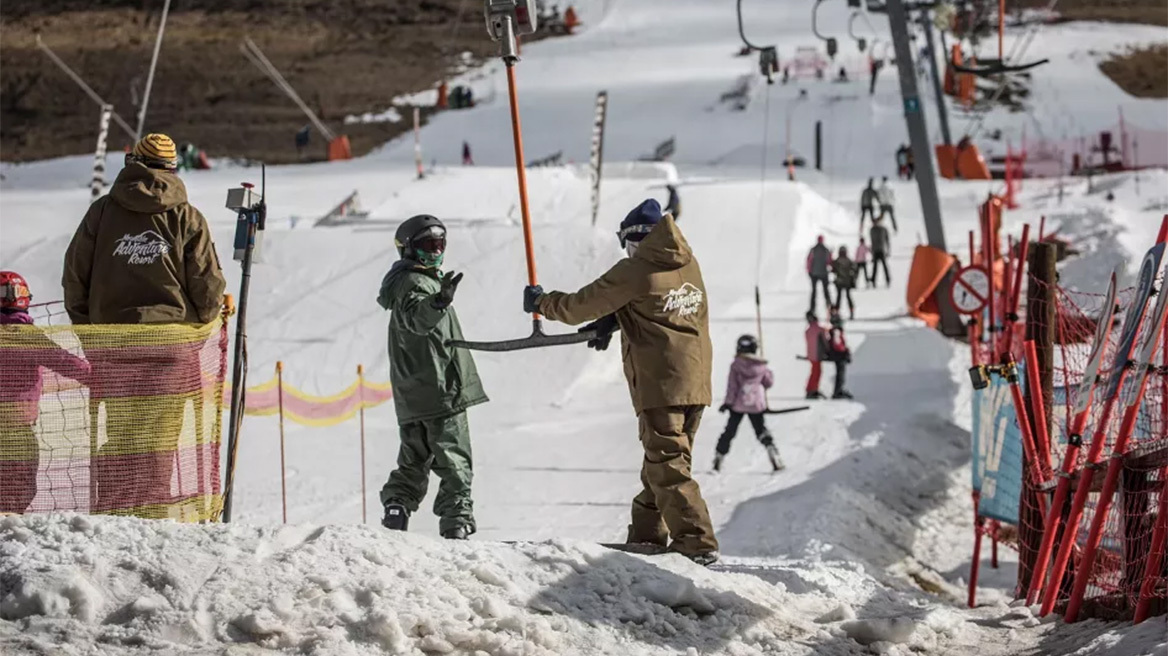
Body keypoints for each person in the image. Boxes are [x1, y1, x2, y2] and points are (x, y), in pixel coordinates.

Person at [523, 199, 719, 565]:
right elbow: (656, 300)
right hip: (695, 380)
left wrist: (542, 302)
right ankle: (647, 536)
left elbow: (579, 305)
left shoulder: (636, 268)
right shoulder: (687, 262)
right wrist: (614, 320)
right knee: (661, 463)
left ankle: (696, 541)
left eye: (628, 245)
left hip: (661, 383)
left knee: (667, 465)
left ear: (637, 240)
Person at [62, 133, 226, 514]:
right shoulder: (187, 216)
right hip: (170, 346)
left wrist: (89, 329)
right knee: (159, 436)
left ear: (132, 162)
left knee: (122, 432)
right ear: (172, 167)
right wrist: (200, 327)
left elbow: (75, 276)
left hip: (116, 343)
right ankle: (150, 514)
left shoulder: (102, 213)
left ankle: (116, 511)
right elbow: (208, 283)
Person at [377, 215, 488, 540]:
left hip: (413, 396)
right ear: (409, 250)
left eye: (440, 244)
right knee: (455, 464)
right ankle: (456, 526)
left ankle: (397, 510)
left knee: (413, 462)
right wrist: (438, 302)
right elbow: (418, 319)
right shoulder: (416, 284)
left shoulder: (404, 282)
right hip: (441, 392)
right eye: (428, 245)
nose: (436, 252)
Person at [0, 272, 91, 514]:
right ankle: (9, 524)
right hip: (16, 425)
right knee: (18, 484)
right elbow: (63, 361)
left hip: (14, 424)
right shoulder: (27, 336)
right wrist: (98, 377)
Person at [714, 335, 782, 473]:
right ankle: (771, 449)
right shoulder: (760, 365)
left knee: (730, 431)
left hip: (738, 404)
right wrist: (766, 369)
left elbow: (732, 386)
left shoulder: (736, 365)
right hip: (756, 405)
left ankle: (719, 457)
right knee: (760, 429)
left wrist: (727, 403)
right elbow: (768, 383)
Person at [826, 310, 853, 400]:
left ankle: (839, 390)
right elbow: (837, 344)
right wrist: (844, 352)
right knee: (840, 374)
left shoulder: (835, 331)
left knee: (840, 373)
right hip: (839, 356)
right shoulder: (836, 331)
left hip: (838, 355)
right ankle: (838, 391)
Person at [806, 235, 833, 314]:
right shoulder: (826, 250)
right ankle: (829, 306)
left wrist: (809, 271)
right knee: (826, 291)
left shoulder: (813, 249)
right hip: (824, 273)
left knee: (814, 292)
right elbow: (829, 262)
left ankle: (812, 308)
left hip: (814, 273)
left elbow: (809, 261)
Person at [831, 245, 859, 320]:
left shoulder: (837, 261)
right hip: (847, 282)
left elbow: (833, 269)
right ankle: (851, 312)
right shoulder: (848, 260)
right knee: (848, 297)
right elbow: (855, 268)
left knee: (838, 298)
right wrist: (853, 277)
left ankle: (836, 313)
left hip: (839, 281)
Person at [804, 311, 826, 400]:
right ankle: (812, 389)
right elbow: (824, 342)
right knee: (817, 372)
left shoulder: (808, 330)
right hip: (817, 354)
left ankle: (812, 388)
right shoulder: (820, 329)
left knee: (815, 371)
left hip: (811, 354)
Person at [869, 217, 892, 287]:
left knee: (884, 266)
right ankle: (873, 281)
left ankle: (888, 280)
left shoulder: (883, 229)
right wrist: (872, 252)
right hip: (875, 250)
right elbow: (872, 241)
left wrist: (888, 250)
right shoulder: (872, 230)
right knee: (875, 267)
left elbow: (887, 240)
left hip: (881, 250)